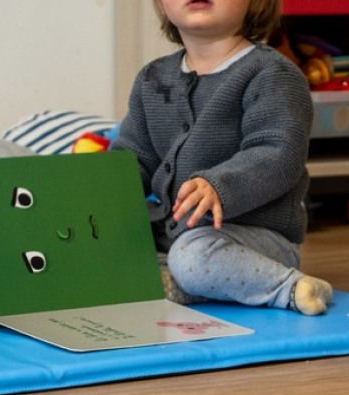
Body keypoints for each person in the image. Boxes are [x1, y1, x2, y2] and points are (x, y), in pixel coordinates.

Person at [112, 0, 333, 315]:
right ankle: (176, 278)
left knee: (192, 258)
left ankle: (290, 287)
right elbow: (133, 157)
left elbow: (277, 154)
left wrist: (220, 185)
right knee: (108, 244)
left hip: (252, 237)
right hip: (171, 234)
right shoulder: (151, 78)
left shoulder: (274, 74)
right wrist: (101, 190)